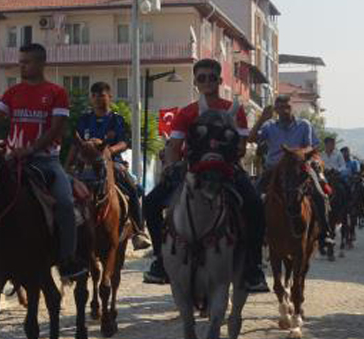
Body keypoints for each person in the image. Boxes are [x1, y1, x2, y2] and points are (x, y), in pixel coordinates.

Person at [0, 43, 83, 277]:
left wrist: (31, 149)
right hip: (11, 160)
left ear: (41, 63)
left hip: (46, 162)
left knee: (64, 203)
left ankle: (67, 259)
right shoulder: (13, 92)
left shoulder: (56, 92)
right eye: (20, 62)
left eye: (27, 62)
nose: (22, 66)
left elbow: (56, 130)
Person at [142, 58, 268, 292]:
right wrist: (171, 167)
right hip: (192, 169)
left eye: (212, 77)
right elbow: (174, 147)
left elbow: (241, 147)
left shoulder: (235, 110)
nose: (207, 81)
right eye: (202, 78)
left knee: (254, 205)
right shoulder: (187, 113)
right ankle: (160, 259)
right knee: (150, 203)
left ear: (220, 80)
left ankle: (253, 266)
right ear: (196, 82)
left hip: (227, 169)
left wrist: (221, 153)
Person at [72, 81, 151, 250]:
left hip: (112, 163)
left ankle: (139, 230)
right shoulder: (84, 119)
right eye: (94, 96)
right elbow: (75, 145)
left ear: (110, 97)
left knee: (133, 186)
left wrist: (108, 151)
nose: (98, 99)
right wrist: (67, 166)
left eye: (102, 95)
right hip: (85, 164)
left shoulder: (117, 119)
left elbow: (124, 142)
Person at [250, 94, 332, 247]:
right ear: (276, 109)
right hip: (273, 170)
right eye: (280, 107)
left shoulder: (304, 125)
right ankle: (256, 233)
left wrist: (297, 153)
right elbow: (251, 138)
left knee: (320, 194)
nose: (284, 110)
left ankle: (324, 233)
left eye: (286, 107)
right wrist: (262, 119)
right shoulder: (269, 126)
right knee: (253, 196)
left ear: (291, 106)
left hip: (299, 168)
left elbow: (311, 146)